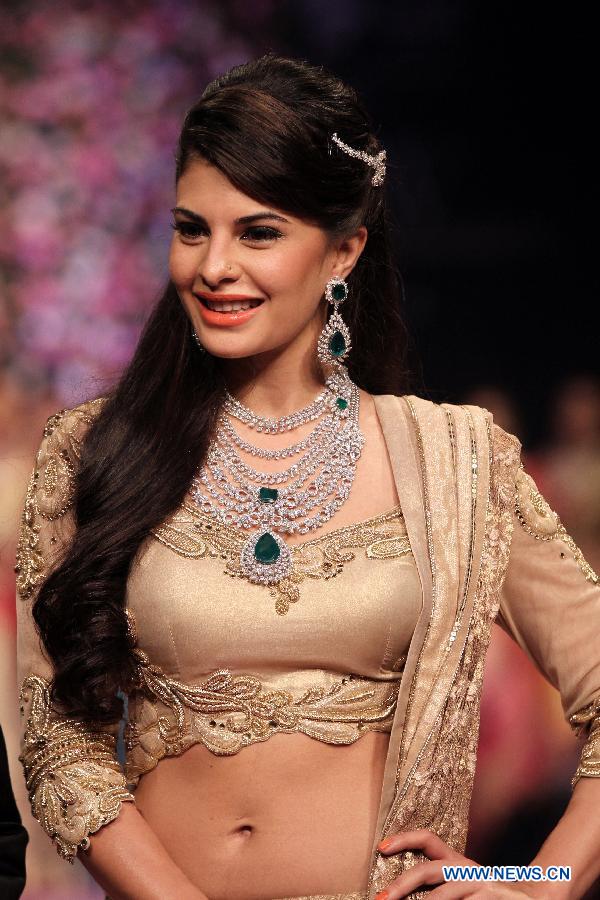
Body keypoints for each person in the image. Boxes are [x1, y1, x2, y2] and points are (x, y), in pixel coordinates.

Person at [13, 52, 600, 900]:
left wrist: (534, 880)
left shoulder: (457, 461)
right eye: (190, 229)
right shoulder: (96, 452)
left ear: (344, 251)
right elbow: (56, 736)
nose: (213, 266)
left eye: (258, 233)